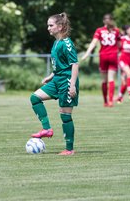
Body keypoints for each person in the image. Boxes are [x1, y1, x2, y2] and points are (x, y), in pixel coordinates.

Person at [29, 12, 79, 156]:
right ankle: (47, 129)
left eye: (51, 25)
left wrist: (72, 85)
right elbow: (60, 64)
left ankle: (69, 149)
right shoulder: (56, 42)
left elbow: (74, 64)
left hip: (67, 81)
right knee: (35, 98)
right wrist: (51, 76)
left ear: (60, 26)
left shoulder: (67, 43)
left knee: (65, 115)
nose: (48, 28)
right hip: (57, 80)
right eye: (48, 25)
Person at [82, 14, 121, 107]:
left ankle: (105, 101)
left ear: (104, 21)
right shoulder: (116, 31)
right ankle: (111, 101)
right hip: (113, 56)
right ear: (112, 20)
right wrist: (118, 53)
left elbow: (94, 43)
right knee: (111, 79)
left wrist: (87, 54)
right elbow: (119, 45)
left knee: (104, 80)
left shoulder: (99, 30)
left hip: (103, 56)